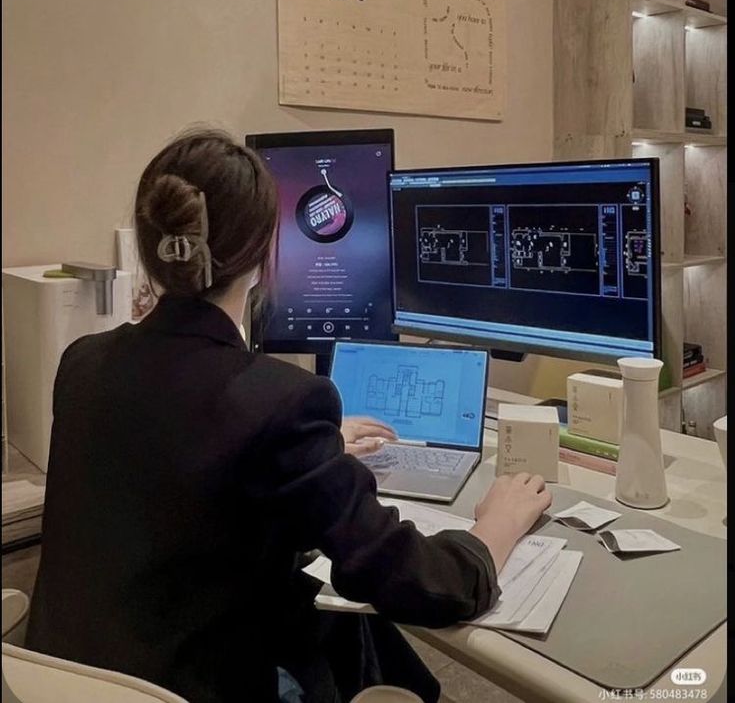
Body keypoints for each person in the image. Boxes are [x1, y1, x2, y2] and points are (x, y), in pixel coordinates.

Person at [26, 128, 552, 703]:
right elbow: (415, 584)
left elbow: (180, 477)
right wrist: (495, 527)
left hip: (74, 683)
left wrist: (315, 451)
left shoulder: (83, 364)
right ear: (261, 255)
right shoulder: (279, 401)